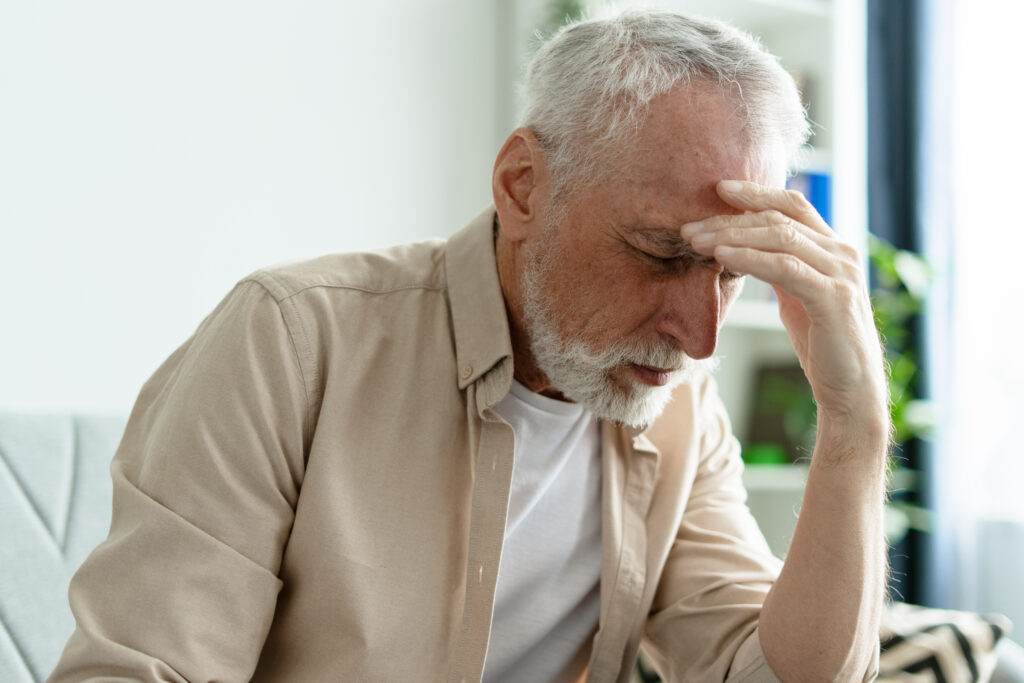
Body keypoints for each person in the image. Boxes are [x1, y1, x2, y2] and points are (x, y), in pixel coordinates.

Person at [50, 9, 889, 683]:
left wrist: (854, 430)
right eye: (663, 255)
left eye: (726, 272)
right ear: (524, 186)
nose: (699, 338)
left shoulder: (678, 404)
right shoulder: (292, 340)